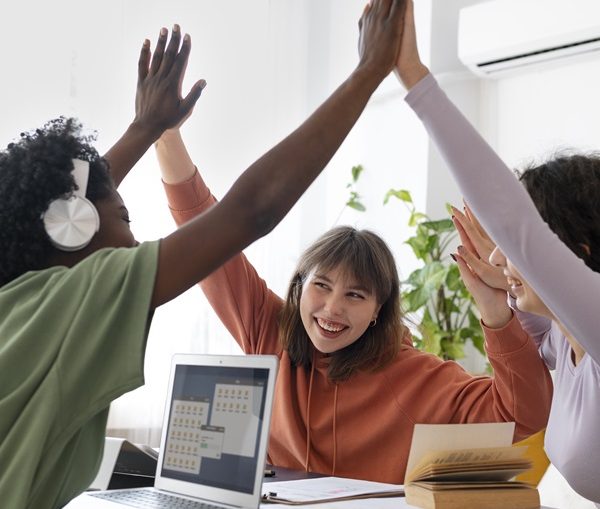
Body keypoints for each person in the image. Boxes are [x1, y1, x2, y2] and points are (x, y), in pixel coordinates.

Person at [0, 2, 408, 506]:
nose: (133, 242)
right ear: (72, 228)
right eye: (125, 219)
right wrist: (368, 73)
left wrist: (146, 128)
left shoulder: (18, 297)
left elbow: (71, 204)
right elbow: (252, 209)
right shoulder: (74, 299)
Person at [156, 8, 551, 486]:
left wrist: (494, 310)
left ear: (378, 309)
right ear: (299, 287)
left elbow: (522, 417)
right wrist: (165, 134)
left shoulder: (416, 376)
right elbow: (207, 235)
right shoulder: (270, 331)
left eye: (356, 295)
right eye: (320, 286)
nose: (331, 308)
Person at [396, 0, 600, 504]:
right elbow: (520, 323)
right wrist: (496, 292)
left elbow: (513, 220)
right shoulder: (565, 340)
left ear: (576, 252)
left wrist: (414, 76)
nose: (507, 258)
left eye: (518, 251)